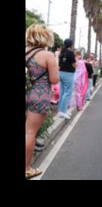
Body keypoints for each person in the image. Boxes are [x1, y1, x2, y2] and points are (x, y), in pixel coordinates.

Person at [25, 25, 59, 180]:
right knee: (30, 132)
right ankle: (26, 168)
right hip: (38, 95)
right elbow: (54, 79)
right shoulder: (47, 55)